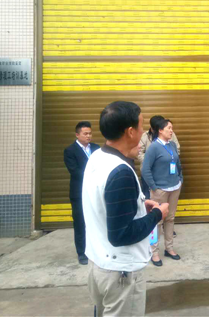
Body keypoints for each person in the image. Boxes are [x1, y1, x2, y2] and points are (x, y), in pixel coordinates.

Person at [82, 101, 169, 317]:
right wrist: (157, 214)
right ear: (130, 131)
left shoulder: (97, 157)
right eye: (141, 126)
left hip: (98, 264)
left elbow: (105, 203)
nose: (143, 131)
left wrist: (139, 204)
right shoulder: (120, 171)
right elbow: (121, 234)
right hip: (120, 273)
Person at [141, 118, 183, 267]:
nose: (171, 130)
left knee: (170, 219)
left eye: (172, 128)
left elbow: (177, 164)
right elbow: (145, 169)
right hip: (160, 190)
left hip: (174, 188)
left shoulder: (172, 145)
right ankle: (154, 252)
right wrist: (154, 187)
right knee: (156, 221)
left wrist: (180, 179)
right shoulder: (153, 147)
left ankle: (169, 248)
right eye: (168, 128)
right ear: (160, 130)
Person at [63, 121, 101, 265]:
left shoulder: (96, 148)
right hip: (79, 193)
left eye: (90, 133)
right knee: (80, 223)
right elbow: (75, 171)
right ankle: (82, 252)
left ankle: (95, 249)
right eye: (85, 134)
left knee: (96, 221)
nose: (88, 136)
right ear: (77, 135)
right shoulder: (70, 151)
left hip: (95, 192)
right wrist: (93, 175)